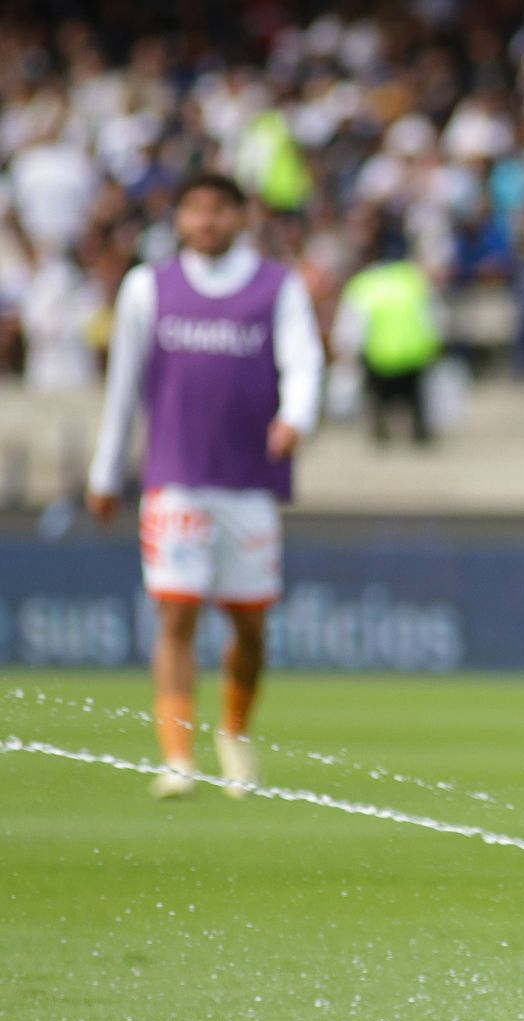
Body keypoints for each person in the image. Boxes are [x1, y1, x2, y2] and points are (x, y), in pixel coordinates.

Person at [85, 173, 325, 799]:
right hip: (176, 477)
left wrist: (297, 415)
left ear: (241, 216)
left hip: (248, 482)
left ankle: (234, 733)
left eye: (218, 210)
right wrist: (106, 471)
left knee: (249, 626)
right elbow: (124, 384)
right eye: (195, 210)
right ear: (180, 217)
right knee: (177, 612)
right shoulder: (148, 287)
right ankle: (177, 755)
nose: (207, 222)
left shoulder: (276, 284)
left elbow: (304, 360)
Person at [333, 224, 443, 445]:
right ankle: (419, 428)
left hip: (379, 359)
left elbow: (351, 327)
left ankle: (380, 427)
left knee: (376, 395)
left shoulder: (363, 283)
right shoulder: (416, 279)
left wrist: (346, 354)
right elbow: (434, 318)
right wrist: (435, 348)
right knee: (416, 396)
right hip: (414, 357)